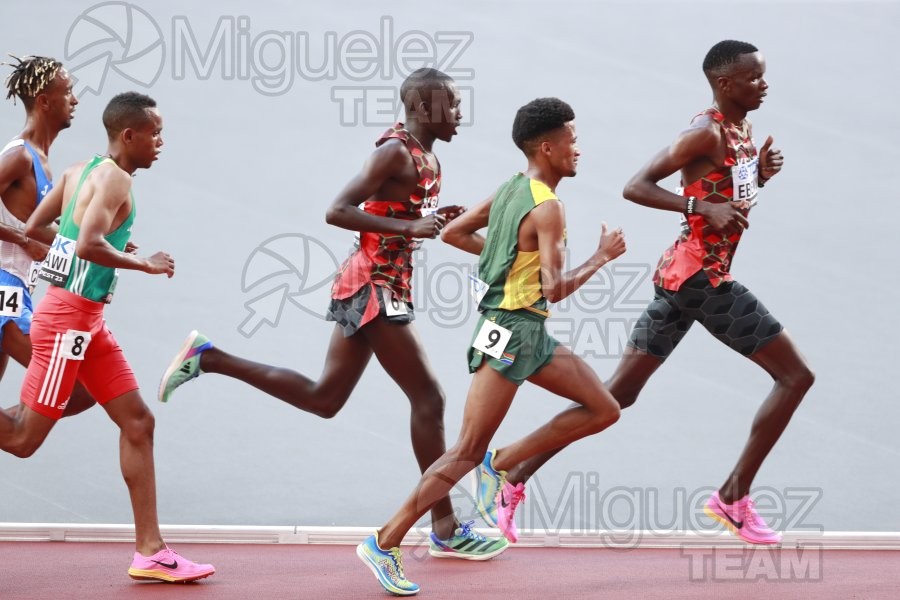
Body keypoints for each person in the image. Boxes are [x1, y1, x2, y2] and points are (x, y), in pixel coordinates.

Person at [158, 68, 508, 560]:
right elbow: (337, 210)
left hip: (384, 286)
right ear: (424, 107)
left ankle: (210, 358)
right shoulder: (394, 151)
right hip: (371, 286)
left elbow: (399, 214)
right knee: (429, 399)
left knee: (325, 399)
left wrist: (425, 219)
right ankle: (445, 527)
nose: (460, 112)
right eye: (452, 103)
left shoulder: (428, 157)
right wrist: (409, 229)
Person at [477, 40, 815, 547]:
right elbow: (636, 185)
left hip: (680, 280)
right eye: (754, 78)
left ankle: (512, 477)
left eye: (763, 77)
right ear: (726, 84)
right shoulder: (702, 133)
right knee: (795, 376)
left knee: (615, 397)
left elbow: (727, 198)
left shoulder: (741, 131)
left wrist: (758, 176)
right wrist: (697, 209)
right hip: (704, 281)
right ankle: (733, 497)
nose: (763, 86)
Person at [357, 97, 627, 595]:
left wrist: (505, 256)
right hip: (511, 332)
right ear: (547, 147)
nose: (579, 150)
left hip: (529, 334)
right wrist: (601, 257)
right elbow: (554, 288)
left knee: (604, 408)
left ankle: (501, 463)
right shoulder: (548, 207)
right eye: (572, 140)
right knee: (462, 450)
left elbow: (455, 233)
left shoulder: (510, 189)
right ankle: (385, 541)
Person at [1, 91, 215, 583]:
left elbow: (35, 227)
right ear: (129, 136)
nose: (161, 143)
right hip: (68, 322)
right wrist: (144, 262)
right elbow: (90, 243)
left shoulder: (80, 170)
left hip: (88, 322)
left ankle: (151, 552)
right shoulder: (115, 178)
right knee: (21, 438)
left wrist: (108, 240)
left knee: (138, 421)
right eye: (155, 134)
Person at [0, 55, 94, 417]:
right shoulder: (20, 157)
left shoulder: (39, 159)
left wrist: (94, 242)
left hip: (18, 290)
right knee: (77, 387)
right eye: (68, 91)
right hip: (5, 291)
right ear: (44, 101)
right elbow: (28, 236)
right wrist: (24, 241)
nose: (75, 99)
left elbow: (37, 231)